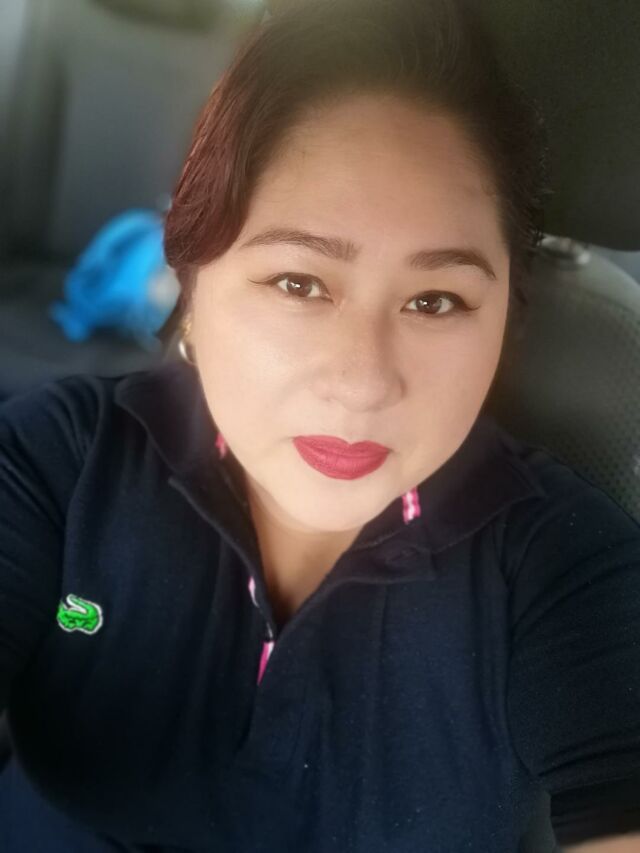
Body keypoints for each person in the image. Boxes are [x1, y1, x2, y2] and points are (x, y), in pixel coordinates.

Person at [1, 0, 639, 850]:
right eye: (299, 283)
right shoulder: (60, 464)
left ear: (503, 325)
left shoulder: (559, 567)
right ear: (192, 284)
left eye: (435, 300)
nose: (362, 383)